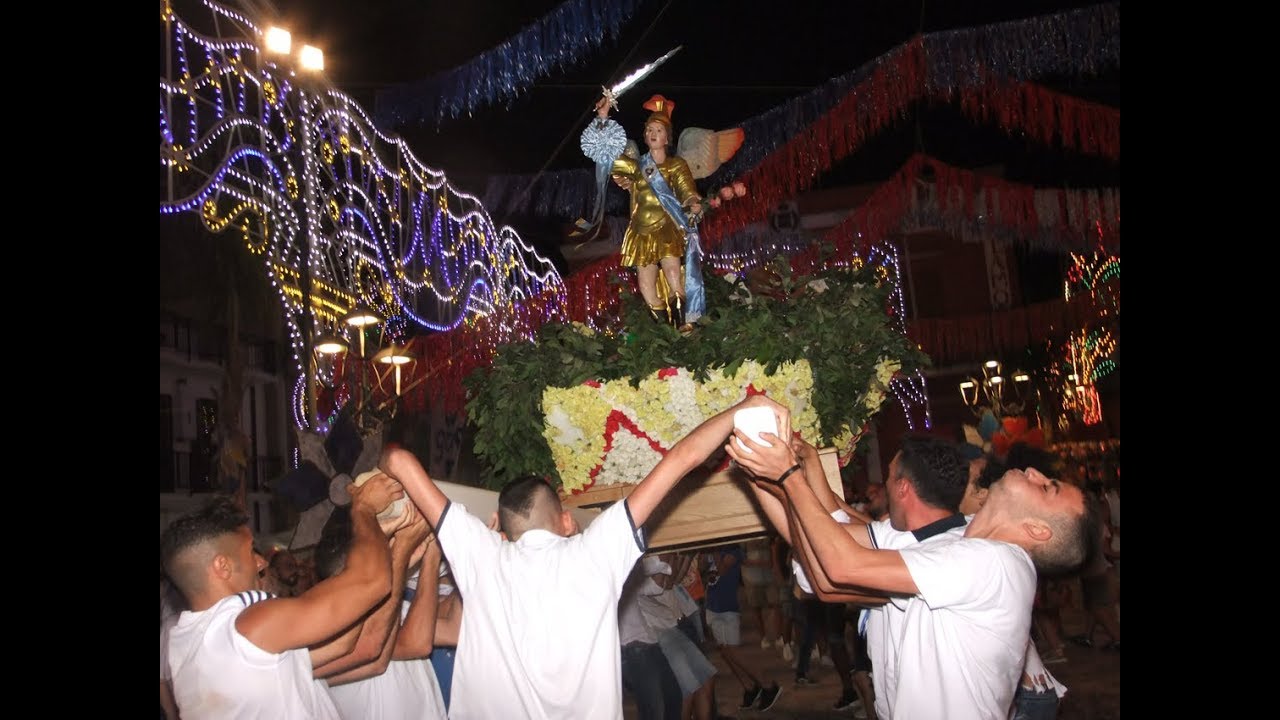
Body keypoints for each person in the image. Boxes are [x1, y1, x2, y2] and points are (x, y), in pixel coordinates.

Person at [378, 394, 783, 719]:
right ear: (568, 522)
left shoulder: (481, 553)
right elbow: (682, 459)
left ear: (502, 528)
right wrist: (741, 409)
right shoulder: (594, 552)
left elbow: (397, 459)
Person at [727, 397, 1097, 720]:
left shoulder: (998, 563)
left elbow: (842, 566)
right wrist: (760, 474)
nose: (1035, 473)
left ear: (1037, 530)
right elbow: (828, 551)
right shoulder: (955, 537)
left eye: (1047, 488)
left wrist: (788, 476)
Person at [159, 477, 403, 719]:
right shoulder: (246, 628)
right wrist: (363, 509)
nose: (261, 562)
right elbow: (372, 581)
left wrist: (378, 542)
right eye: (250, 552)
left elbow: (343, 644)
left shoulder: (188, 644)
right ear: (222, 567)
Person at [581, 92, 703, 328]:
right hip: (641, 231)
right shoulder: (637, 167)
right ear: (645, 137)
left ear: (667, 137)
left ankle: (685, 327)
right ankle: (665, 331)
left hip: (667, 226)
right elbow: (606, 154)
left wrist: (692, 203)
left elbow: (688, 191)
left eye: (658, 130)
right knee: (646, 287)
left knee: (673, 274)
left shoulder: (676, 165)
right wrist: (603, 117)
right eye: (649, 130)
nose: (652, 133)